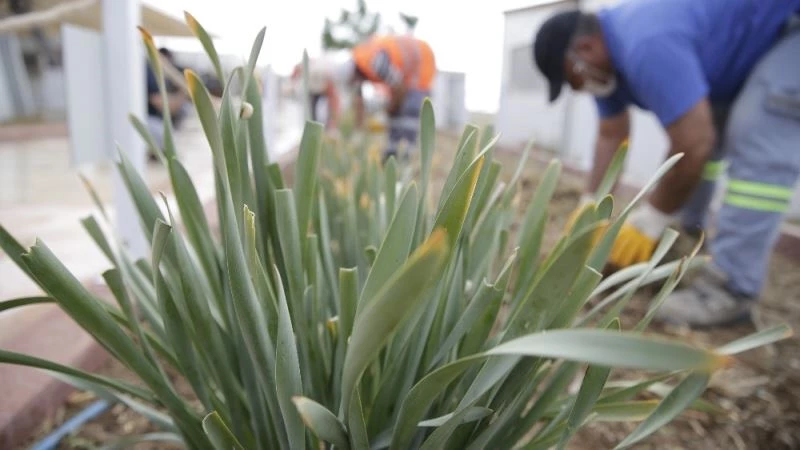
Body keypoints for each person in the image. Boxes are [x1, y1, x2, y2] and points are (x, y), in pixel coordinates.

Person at [532, 0, 800, 327]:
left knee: (755, 132)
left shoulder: (645, 44)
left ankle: (732, 288)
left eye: (572, 79)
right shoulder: (607, 65)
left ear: (585, 48)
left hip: (788, 28)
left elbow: (693, 142)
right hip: (749, 50)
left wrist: (654, 216)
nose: (578, 89)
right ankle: (689, 235)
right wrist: (592, 207)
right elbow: (610, 136)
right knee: (705, 140)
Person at [303, 35, 436, 160]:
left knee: (407, 115)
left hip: (421, 65)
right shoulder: (360, 62)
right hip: (407, 72)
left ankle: (403, 159)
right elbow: (359, 102)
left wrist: (391, 107)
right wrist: (358, 130)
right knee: (395, 118)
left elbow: (398, 87)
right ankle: (392, 158)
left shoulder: (374, 62)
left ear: (354, 73)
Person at [145, 47, 189, 156]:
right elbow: (164, 105)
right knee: (169, 140)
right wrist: (184, 91)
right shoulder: (149, 72)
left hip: (157, 119)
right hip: (147, 119)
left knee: (185, 110)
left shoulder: (159, 76)